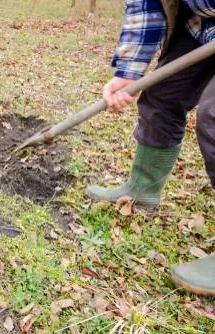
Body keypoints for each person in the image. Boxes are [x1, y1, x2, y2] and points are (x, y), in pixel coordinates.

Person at [86, 1, 214, 296]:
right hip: (202, 28)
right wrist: (128, 72)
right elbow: (147, 3)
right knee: (161, 96)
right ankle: (142, 190)